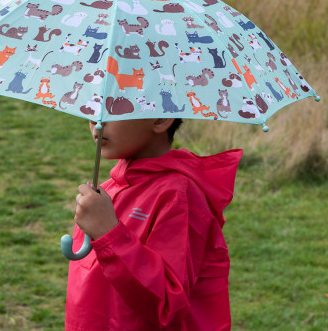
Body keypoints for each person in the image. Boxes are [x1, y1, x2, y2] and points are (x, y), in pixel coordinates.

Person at [65, 118, 243, 331]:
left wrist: (109, 234)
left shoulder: (178, 198)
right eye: (93, 106)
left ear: (160, 120)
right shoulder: (109, 190)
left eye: (115, 107)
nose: (97, 120)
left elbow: (168, 303)